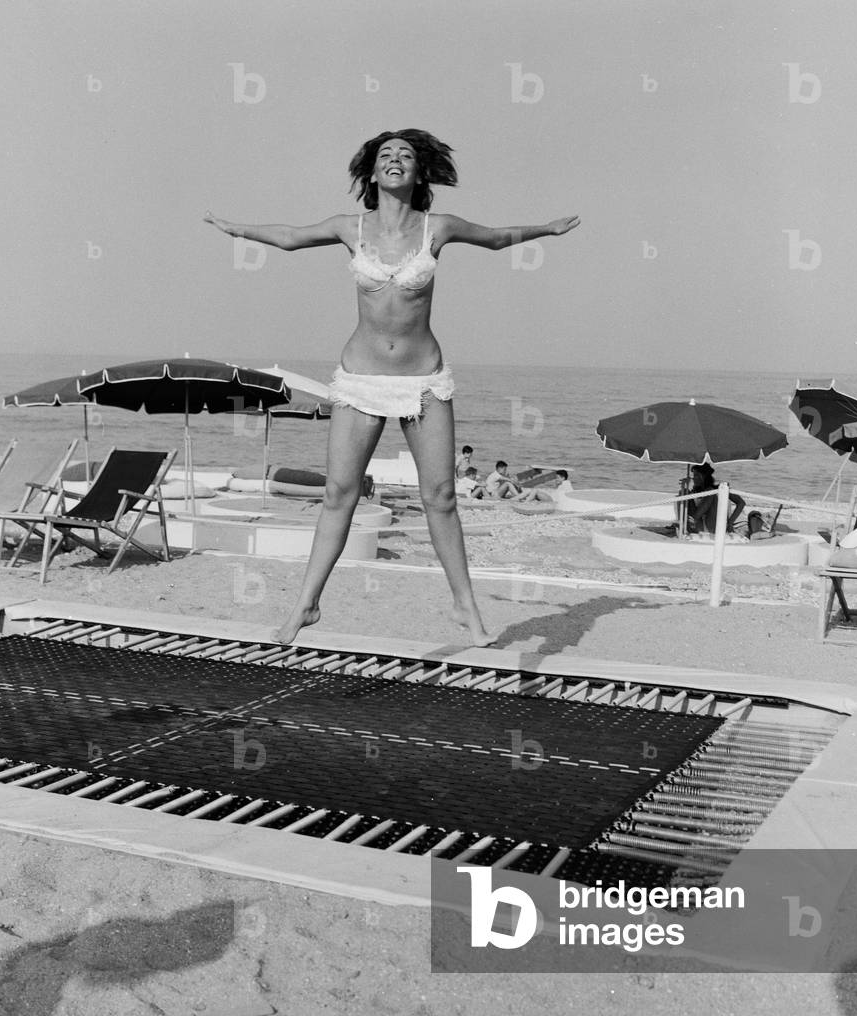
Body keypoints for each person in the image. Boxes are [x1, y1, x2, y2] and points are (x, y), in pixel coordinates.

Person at [205, 129, 579, 646]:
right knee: (339, 493)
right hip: (361, 379)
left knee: (440, 496)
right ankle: (306, 605)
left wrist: (547, 229)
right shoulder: (350, 227)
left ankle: (465, 607)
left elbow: (495, 238)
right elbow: (290, 237)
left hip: (423, 380)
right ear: (373, 172)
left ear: (419, 172)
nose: (395, 159)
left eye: (405, 154)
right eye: (386, 154)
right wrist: (236, 229)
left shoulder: (437, 228)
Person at [687, 463, 745, 534]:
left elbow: (741, 503)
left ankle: (693, 519)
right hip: (699, 526)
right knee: (684, 493)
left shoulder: (719, 489)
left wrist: (730, 522)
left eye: (695, 475)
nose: (693, 478)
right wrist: (685, 486)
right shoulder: (695, 492)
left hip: (713, 527)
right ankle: (689, 522)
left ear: (702, 476)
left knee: (710, 492)